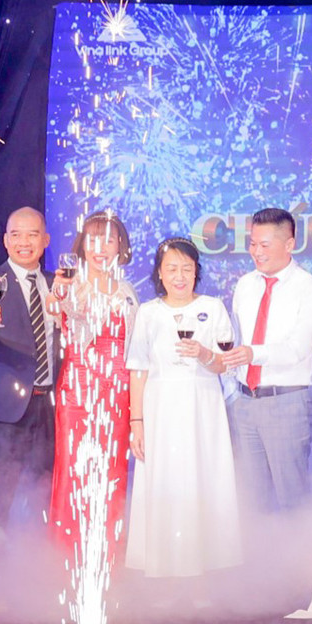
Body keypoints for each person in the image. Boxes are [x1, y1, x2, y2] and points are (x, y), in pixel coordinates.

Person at [126, 237, 242, 577]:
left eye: (187, 269)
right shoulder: (149, 313)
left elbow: (224, 364)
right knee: (165, 483)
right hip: (160, 409)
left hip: (202, 408)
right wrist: (137, 422)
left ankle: (204, 572)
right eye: (172, 269)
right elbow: (138, 369)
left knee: (203, 480)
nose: (179, 277)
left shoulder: (213, 307)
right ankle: (163, 573)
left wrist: (205, 355)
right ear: (160, 274)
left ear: (196, 272)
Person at [221, 207, 312, 515]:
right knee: (250, 502)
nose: (256, 252)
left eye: (265, 245)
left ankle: (297, 550)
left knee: (292, 499)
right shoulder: (245, 284)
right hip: (244, 403)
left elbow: (297, 348)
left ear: (289, 244)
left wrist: (253, 353)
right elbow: (235, 339)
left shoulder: (310, 289)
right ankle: (256, 550)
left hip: (286, 403)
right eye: (252, 243)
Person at [0, 206, 62, 538]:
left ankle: (37, 563)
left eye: (32, 234)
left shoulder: (58, 284)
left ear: (46, 240)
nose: (24, 242)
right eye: (16, 235)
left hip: (50, 407)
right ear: (5, 240)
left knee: (45, 495)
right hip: (4, 408)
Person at [49, 210, 139, 557]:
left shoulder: (127, 291)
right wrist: (61, 295)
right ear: (83, 245)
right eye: (94, 240)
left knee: (113, 472)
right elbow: (62, 308)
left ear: (120, 246)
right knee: (75, 471)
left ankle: (108, 554)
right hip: (80, 391)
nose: (101, 248)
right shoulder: (71, 284)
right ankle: (68, 555)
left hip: (119, 394)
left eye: (110, 240)